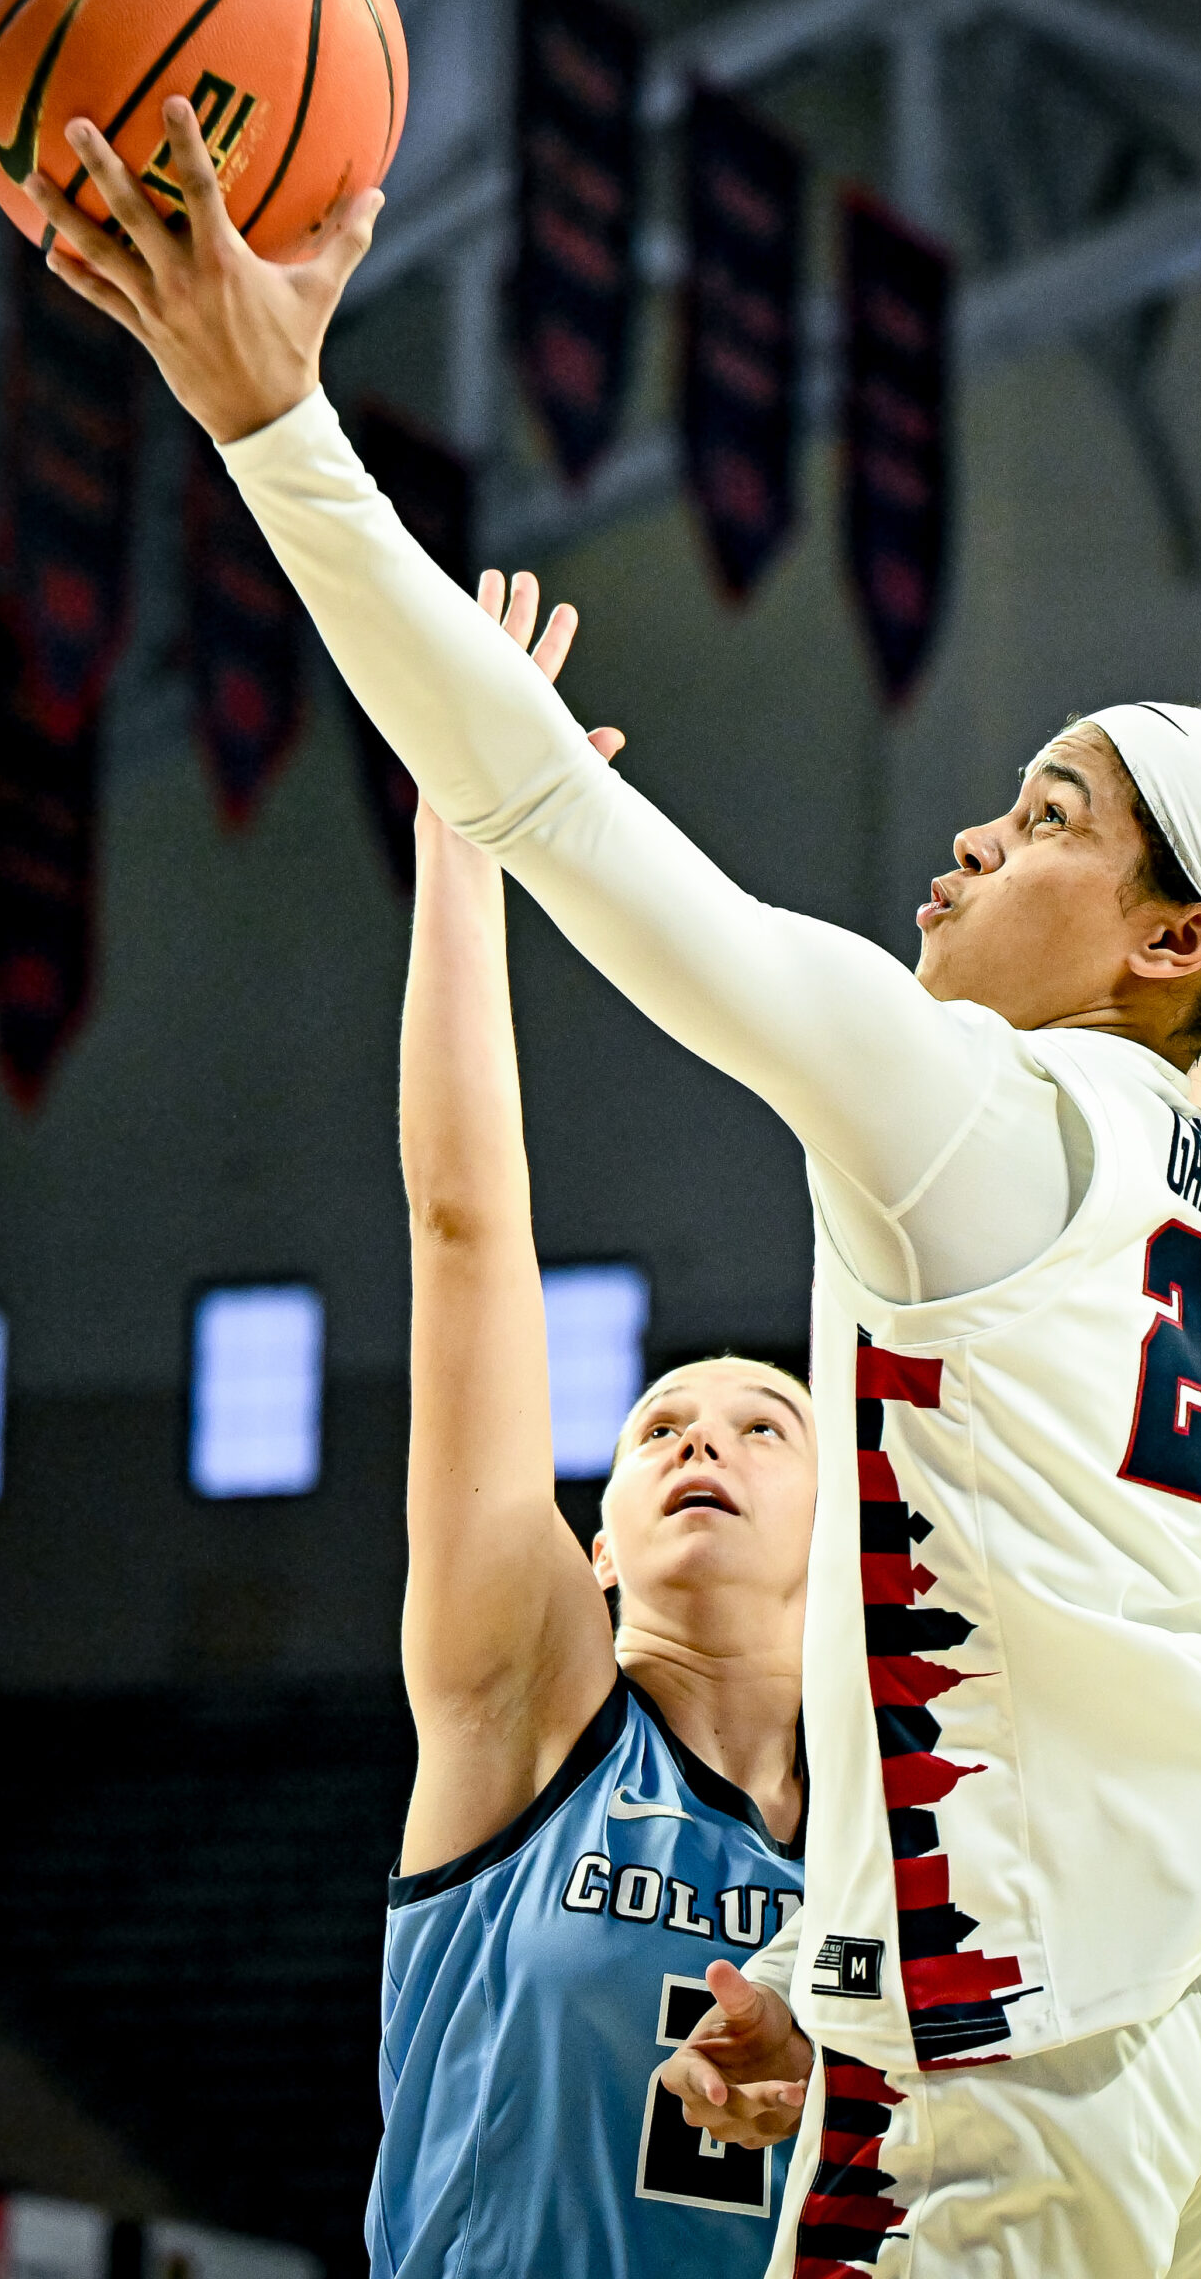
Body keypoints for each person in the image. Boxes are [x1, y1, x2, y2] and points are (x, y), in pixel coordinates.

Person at [24, 108, 1201, 2279]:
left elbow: (552, 800)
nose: (968, 838)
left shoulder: (989, 1115)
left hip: (1051, 2048)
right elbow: (1014, 1675)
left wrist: (272, 421)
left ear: (1174, 942)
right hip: (1199, 2024)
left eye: (1042, 817)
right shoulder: (1192, 1206)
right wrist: (838, 1980)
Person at [370, 564, 814, 2278]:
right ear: (597, 1541)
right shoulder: (526, 1711)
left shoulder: (903, 1834)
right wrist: (465, 842)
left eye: (766, 1425)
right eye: (655, 1433)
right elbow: (466, 1237)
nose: (701, 1440)